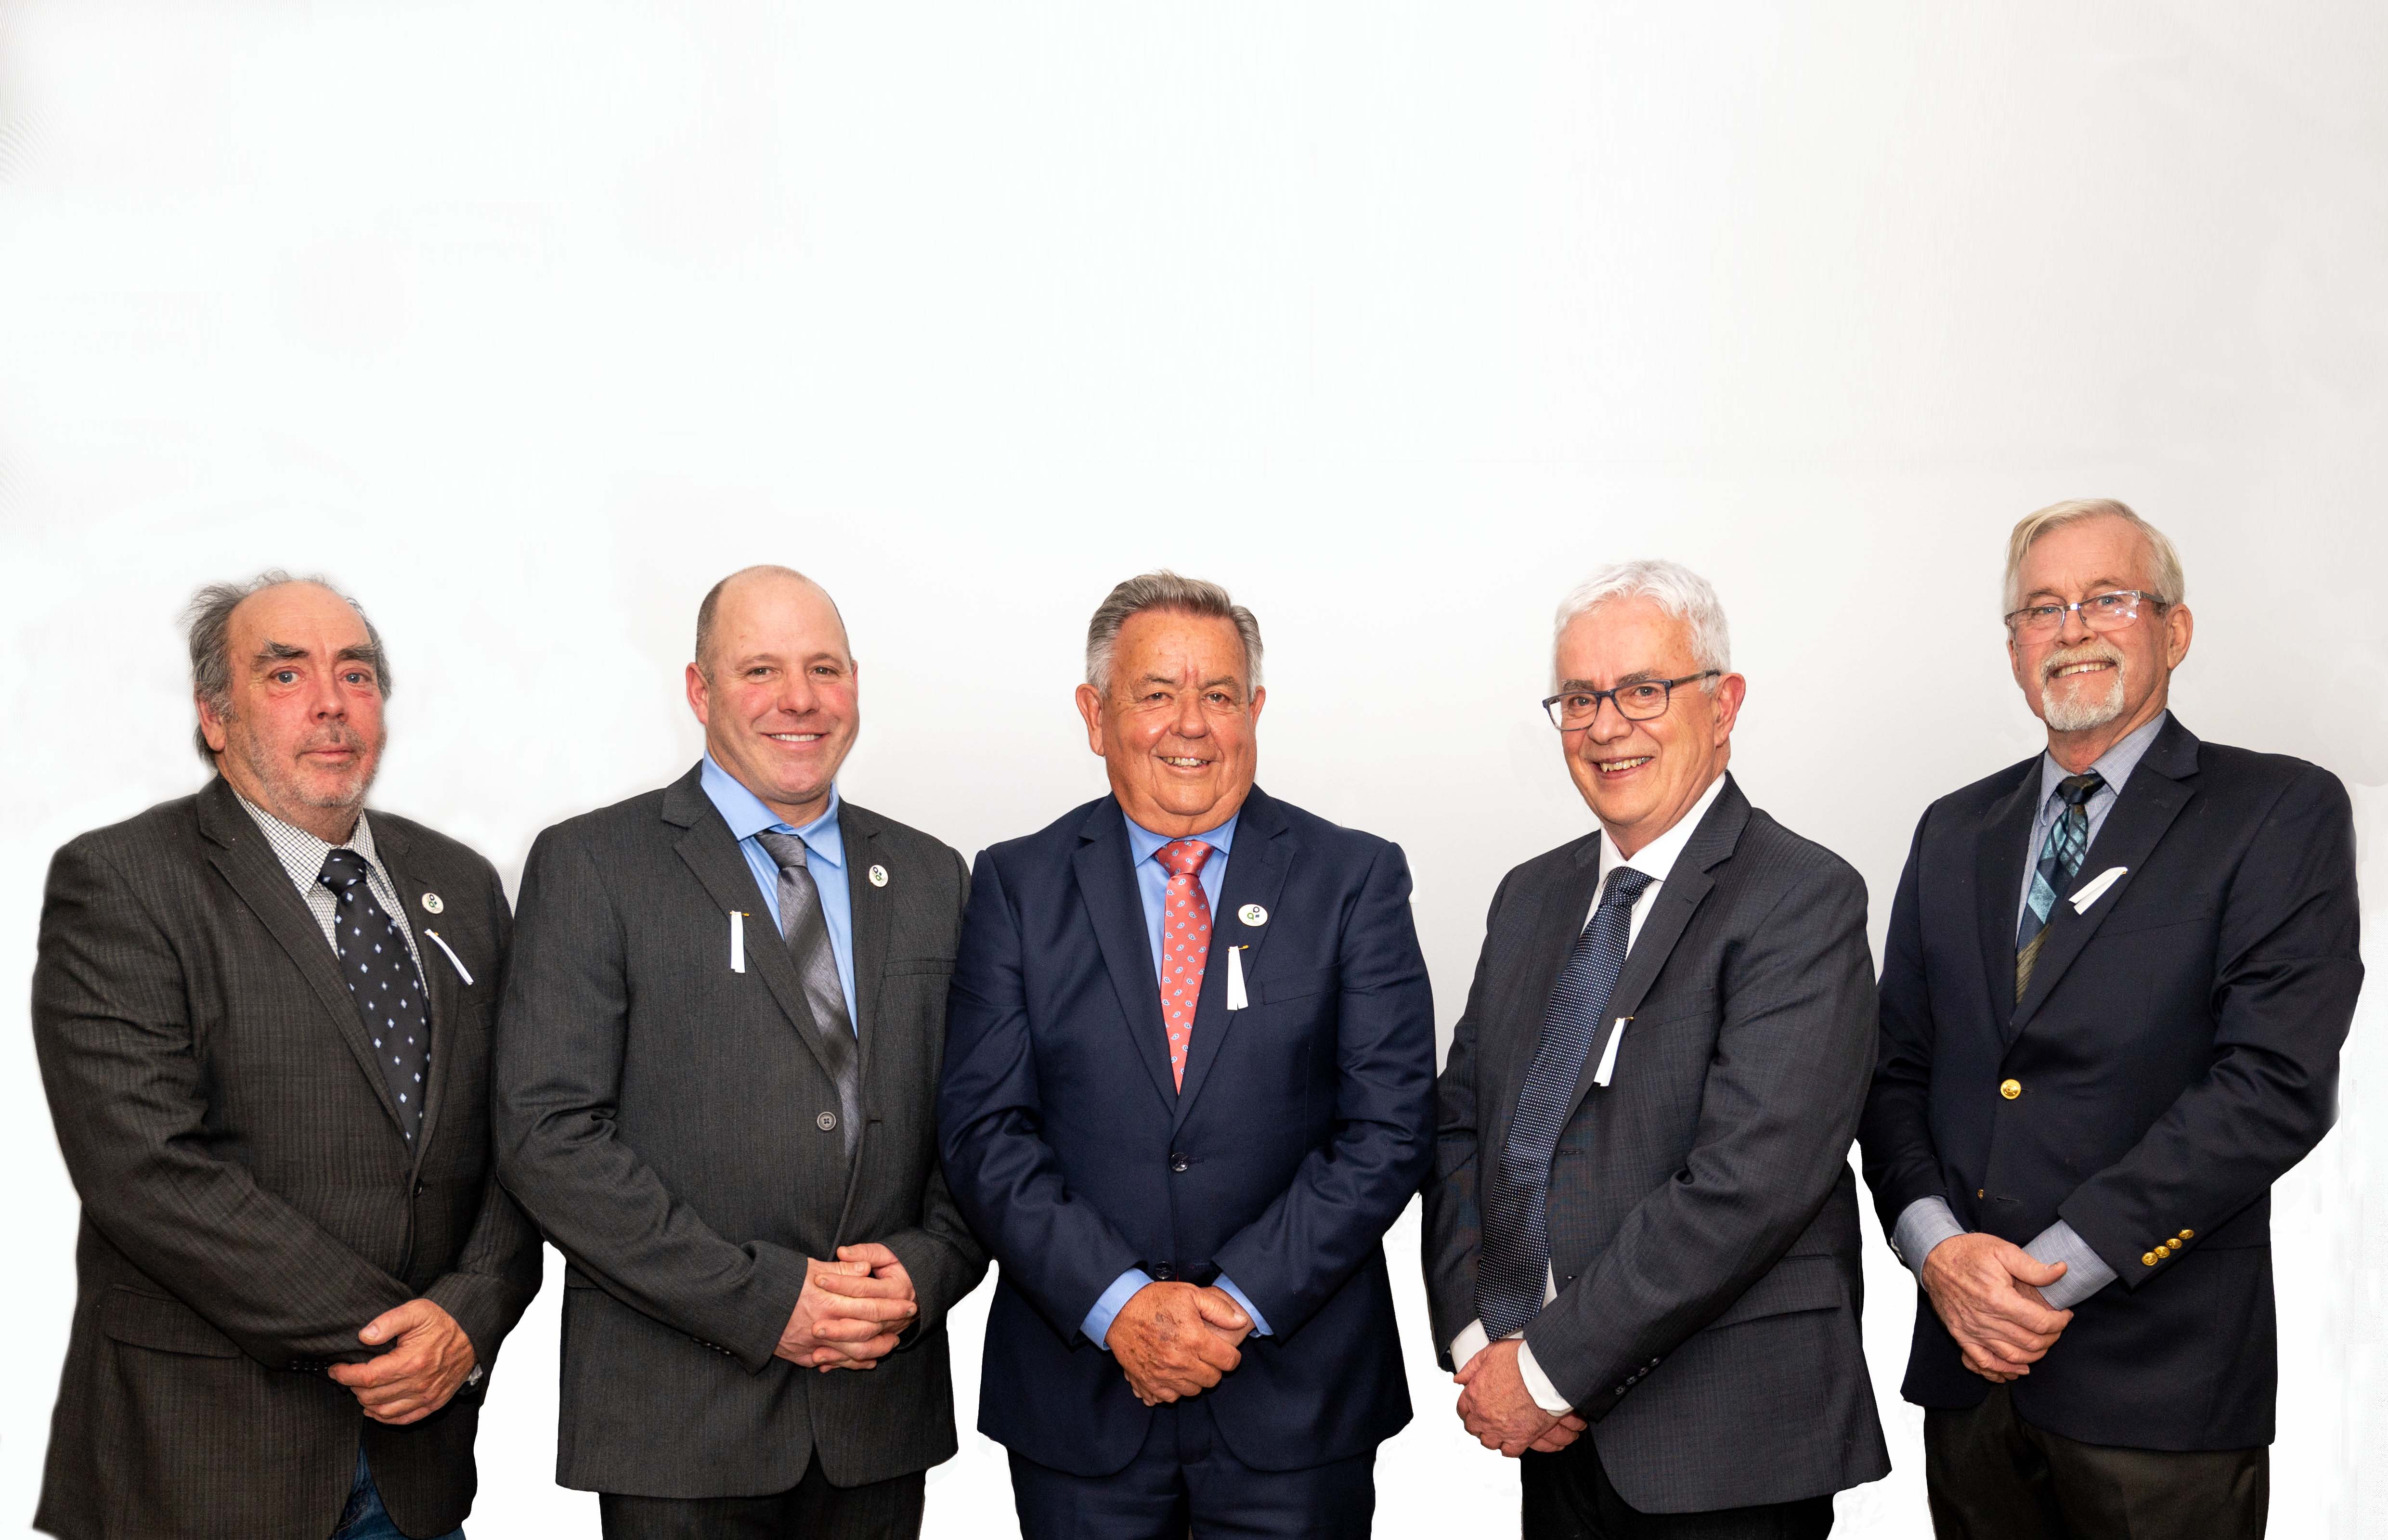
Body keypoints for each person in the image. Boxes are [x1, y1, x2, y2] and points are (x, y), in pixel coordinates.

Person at [1858, 499, 2361, 1539]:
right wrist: (1938, 1253)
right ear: (2011, 651)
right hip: (1967, 1371)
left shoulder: (2277, 811)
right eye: (2041, 608)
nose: (2072, 626)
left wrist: (2049, 1275)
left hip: (2160, 1386)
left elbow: (2271, 1085)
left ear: (2172, 631)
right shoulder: (1952, 830)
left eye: (2106, 599)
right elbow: (1892, 1072)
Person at [31, 573, 541, 1540]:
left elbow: (524, 1132)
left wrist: (470, 1315)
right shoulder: (123, 883)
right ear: (212, 717)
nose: (330, 703)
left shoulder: (461, 886)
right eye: (284, 674)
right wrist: (405, 1332)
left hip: (413, 1471)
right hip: (200, 1468)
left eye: (355, 673)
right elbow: (144, 1171)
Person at [937, 571, 1436, 1540]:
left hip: (1296, 1406)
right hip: (1079, 1405)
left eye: (1217, 694)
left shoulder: (1353, 878)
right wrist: (1118, 1305)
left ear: (1254, 709)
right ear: (1095, 714)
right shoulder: (1015, 884)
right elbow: (984, 1130)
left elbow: (1388, 1126)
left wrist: (1234, 1305)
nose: (1190, 725)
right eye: (1156, 693)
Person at [493, 565, 986, 1538]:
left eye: (822, 669)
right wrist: (767, 1299)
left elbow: (977, 1117)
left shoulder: (933, 875)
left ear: (855, 684)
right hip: (679, 1425)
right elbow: (546, 1135)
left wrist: (926, 1268)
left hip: (874, 1414)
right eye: (759, 669)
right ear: (699, 690)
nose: (797, 700)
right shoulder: (593, 863)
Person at [1422, 559, 1890, 1539]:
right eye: (1579, 698)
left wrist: (1547, 1367)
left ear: (1722, 705)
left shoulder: (1800, 897)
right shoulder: (1528, 898)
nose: (1605, 724)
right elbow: (1460, 1123)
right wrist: (1481, 1335)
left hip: (1725, 1447)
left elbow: (1747, 1183)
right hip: (1549, 1442)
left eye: (1641, 689)